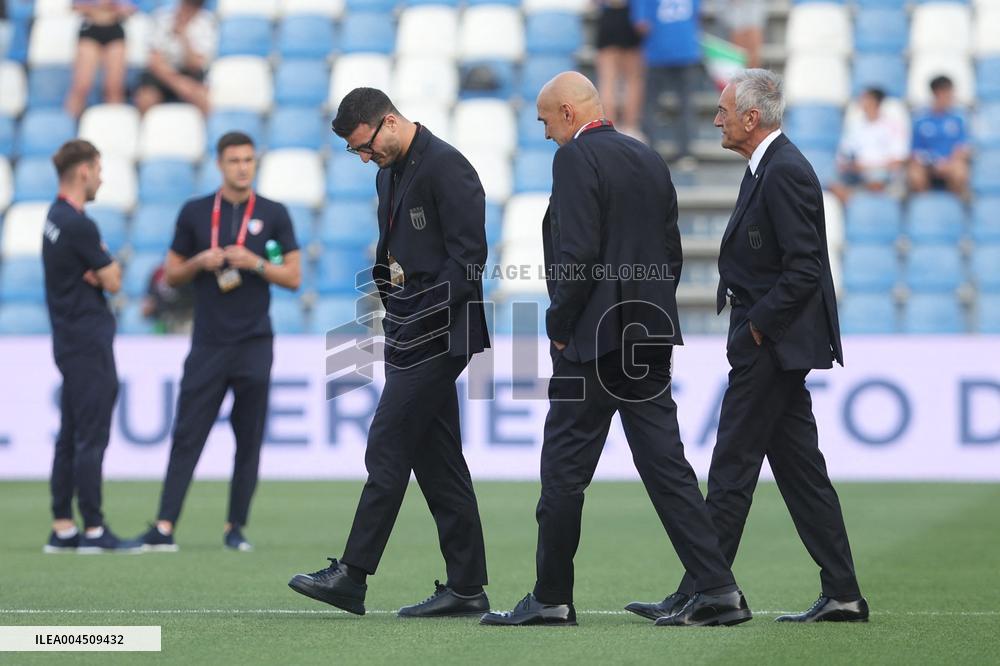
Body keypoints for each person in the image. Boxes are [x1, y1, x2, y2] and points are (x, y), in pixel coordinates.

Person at [480, 72, 750, 628]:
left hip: (592, 344)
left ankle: (551, 595)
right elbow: (671, 252)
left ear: (569, 114)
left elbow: (576, 255)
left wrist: (558, 322)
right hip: (647, 335)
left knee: (562, 472)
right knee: (667, 469)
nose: (546, 133)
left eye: (546, 120)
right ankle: (719, 589)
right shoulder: (649, 158)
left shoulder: (576, 161)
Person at [630, 69, 868, 623]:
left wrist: (760, 325)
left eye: (723, 111)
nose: (716, 120)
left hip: (771, 344)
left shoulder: (783, 171)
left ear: (751, 118)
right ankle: (842, 593)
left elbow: (805, 265)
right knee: (800, 472)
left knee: (733, 465)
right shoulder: (770, 167)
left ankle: (710, 593)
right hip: (770, 343)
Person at [288, 88, 492, 618]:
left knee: (387, 444)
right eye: (357, 151)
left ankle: (352, 576)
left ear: (390, 123)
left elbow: (469, 264)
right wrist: (393, 304)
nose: (364, 158)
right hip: (410, 328)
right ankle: (468, 588)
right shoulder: (389, 172)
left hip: (442, 333)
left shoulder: (449, 168)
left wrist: (418, 316)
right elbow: (395, 256)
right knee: (439, 462)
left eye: (365, 146)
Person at [136, 132, 301, 552]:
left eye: (248, 159)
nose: (242, 167)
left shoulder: (273, 214)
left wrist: (256, 262)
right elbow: (170, 274)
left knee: (249, 438)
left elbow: (293, 277)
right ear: (220, 164)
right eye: (234, 160)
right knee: (188, 434)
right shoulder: (194, 213)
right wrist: (197, 262)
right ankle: (164, 526)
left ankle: (235, 529)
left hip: (254, 342)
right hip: (208, 342)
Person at [42, 139, 139, 553]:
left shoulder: (53, 216)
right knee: (90, 437)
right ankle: (94, 529)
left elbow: (102, 274)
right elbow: (114, 280)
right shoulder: (80, 224)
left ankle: (63, 527)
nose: (100, 178)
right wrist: (103, 268)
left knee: (70, 434)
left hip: (68, 339)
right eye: (97, 169)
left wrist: (98, 270)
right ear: (83, 171)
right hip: (87, 340)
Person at [631, 0, 703, 164]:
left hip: (658, 50)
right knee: (685, 103)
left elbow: (641, 24)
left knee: (651, 103)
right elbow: (696, 14)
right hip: (686, 48)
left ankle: (651, 150)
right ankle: (685, 151)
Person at [133, 0, 216, 115]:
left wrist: (183, 36)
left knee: (203, 98)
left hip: (189, 73)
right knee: (145, 99)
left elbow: (196, 64)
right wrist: (178, 83)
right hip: (163, 73)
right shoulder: (161, 17)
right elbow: (154, 60)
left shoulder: (206, 22)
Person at [830, 87, 909, 203]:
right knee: (833, 185)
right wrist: (851, 165)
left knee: (876, 181)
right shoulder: (854, 126)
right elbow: (844, 156)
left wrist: (869, 168)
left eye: (866, 99)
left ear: (876, 102)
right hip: (856, 173)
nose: (862, 102)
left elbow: (898, 161)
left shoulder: (893, 126)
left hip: (883, 174)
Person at [64, 0, 136, 118]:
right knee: (81, 85)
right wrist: (101, 7)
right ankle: (68, 126)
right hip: (91, 29)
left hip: (115, 31)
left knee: (114, 87)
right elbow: (76, 6)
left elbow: (130, 9)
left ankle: (115, 125)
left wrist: (109, 7)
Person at [908, 75, 970, 197]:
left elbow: (962, 147)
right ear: (938, 93)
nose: (951, 97)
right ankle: (926, 206)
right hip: (928, 165)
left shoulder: (958, 119)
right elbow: (915, 151)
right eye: (948, 94)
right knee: (915, 173)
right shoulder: (921, 120)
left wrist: (948, 163)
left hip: (950, 163)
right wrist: (933, 163)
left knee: (960, 171)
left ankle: (955, 205)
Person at [594, 0, 645, 139]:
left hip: (610, 16)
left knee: (607, 81)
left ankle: (610, 127)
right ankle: (630, 127)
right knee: (633, 80)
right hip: (630, 16)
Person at [142, 263, 195, 334]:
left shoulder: (189, 272)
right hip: (162, 320)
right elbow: (150, 297)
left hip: (185, 319)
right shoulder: (158, 273)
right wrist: (148, 306)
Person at [721, 0, 764, 69]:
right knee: (738, 50)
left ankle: (753, 73)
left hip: (753, 7)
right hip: (733, 9)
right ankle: (741, 73)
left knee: (753, 37)